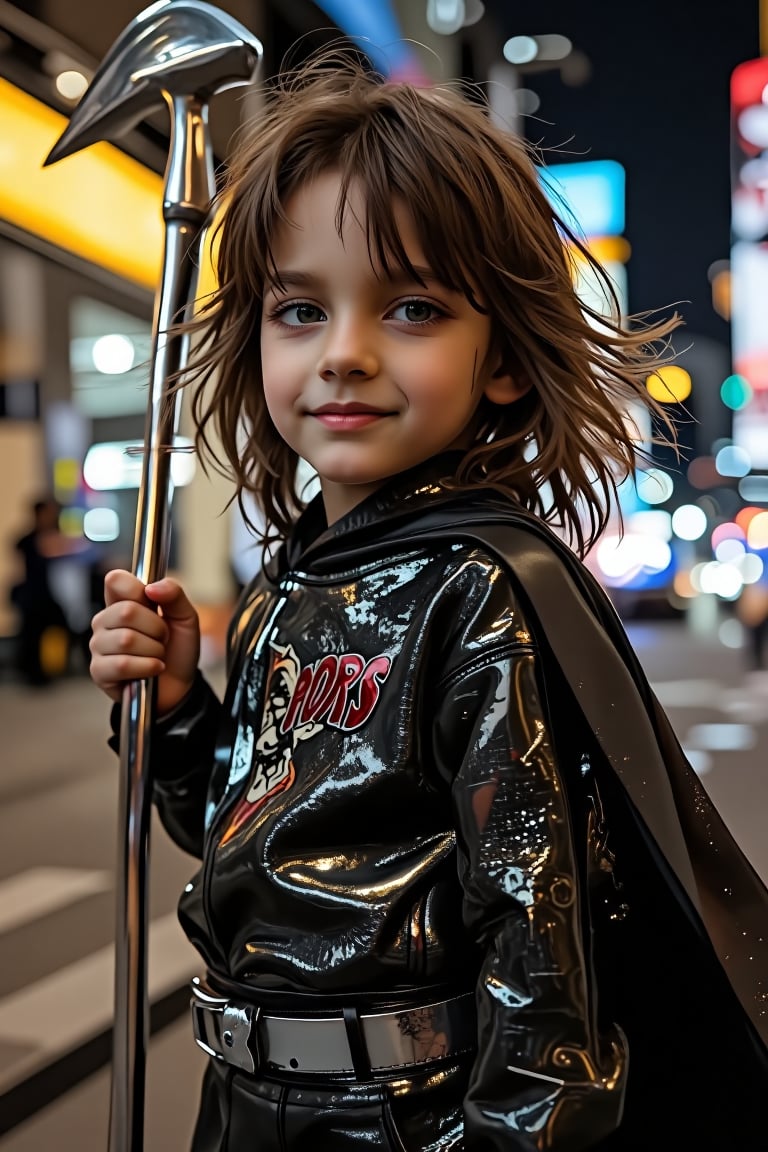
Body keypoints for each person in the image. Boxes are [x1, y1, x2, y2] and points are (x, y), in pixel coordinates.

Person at [89, 51, 768, 1152]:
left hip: (409, 1122)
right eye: (299, 309)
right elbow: (237, 841)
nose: (345, 355)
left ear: (501, 356)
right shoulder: (291, 585)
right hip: (244, 1108)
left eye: (411, 308)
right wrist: (175, 713)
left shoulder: (482, 589)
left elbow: (543, 954)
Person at [11, 496, 74, 684]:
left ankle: (55, 667)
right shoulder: (28, 540)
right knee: (31, 636)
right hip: (33, 595)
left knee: (62, 627)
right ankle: (32, 673)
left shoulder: (54, 535)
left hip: (48, 594)